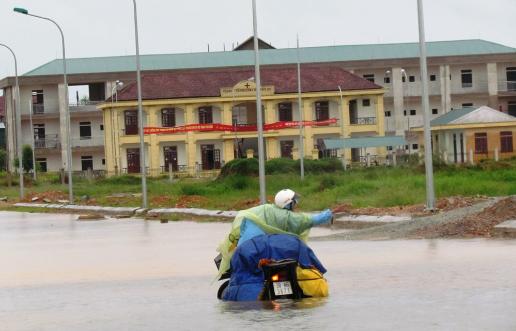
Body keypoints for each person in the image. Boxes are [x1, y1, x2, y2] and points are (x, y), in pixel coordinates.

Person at [216, 189, 333, 279]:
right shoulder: (284, 217)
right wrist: (327, 215)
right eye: (294, 203)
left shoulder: (265, 210)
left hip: (245, 253)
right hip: (258, 253)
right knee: (300, 251)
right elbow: (306, 221)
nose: (296, 206)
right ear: (289, 204)